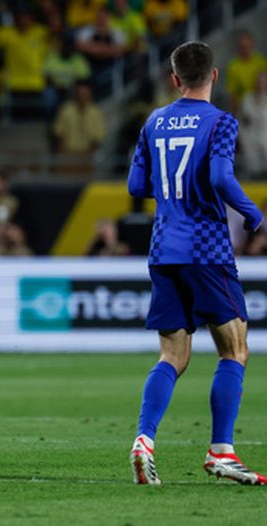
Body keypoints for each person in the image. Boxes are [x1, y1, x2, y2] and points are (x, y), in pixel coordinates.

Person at [127, 41, 266, 486]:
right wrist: (253, 212)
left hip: (163, 248)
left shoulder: (153, 121)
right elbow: (221, 177)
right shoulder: (221, 121)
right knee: (235, 349)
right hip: (206, 250)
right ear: (215, 76)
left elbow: (135, 185)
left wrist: (172, 190)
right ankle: (221, 451)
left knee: (172, 355)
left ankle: (144, 440)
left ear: (174, 79)